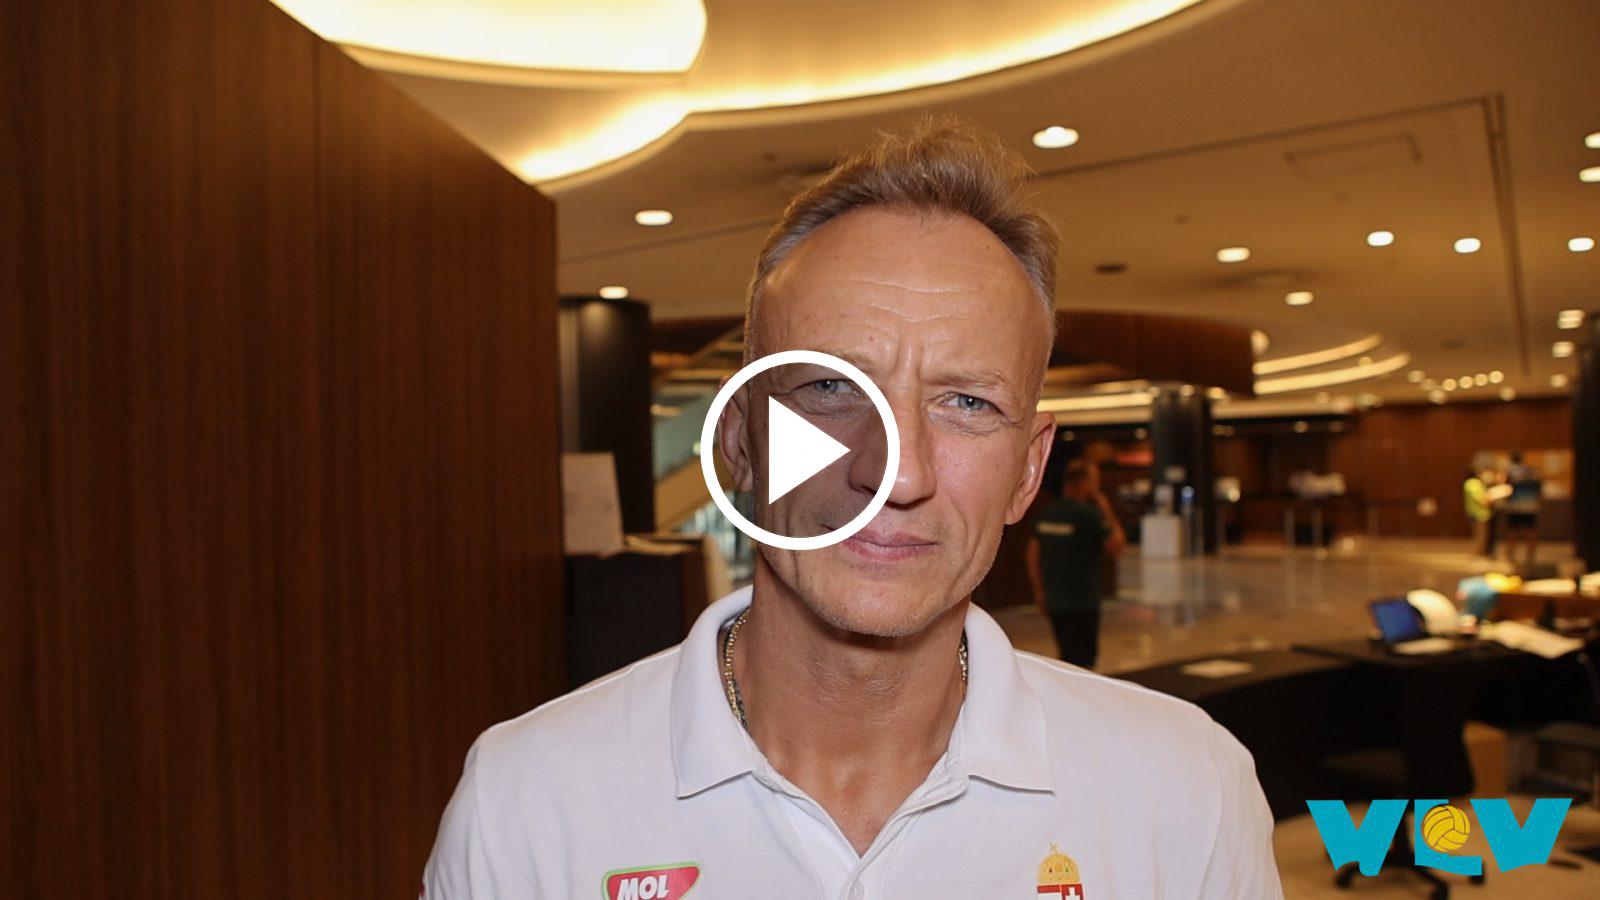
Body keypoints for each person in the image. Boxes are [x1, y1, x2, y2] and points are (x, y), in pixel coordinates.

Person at [424, 119, 1282, 898]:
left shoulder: (1188, 791)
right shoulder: (524, 806)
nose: (895, 471)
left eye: (966, 402)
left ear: (1029, 470)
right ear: (740, 440)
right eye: (830, 389)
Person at [1027, 460, 1117, 668]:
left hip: (1054, 598)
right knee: (1083, 662)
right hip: (1082, 601)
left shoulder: (1048, 512)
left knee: (1066, 654)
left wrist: (1039, 589)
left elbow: (1032, 553)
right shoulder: (1089, 514)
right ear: (1084, 482)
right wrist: (1105, 507)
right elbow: (1116, 545)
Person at [1503, 451, 1543, 571]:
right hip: (1531, 507)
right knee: (1530, 532)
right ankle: (1530, 556)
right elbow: (1539, 489)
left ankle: (1510, 555)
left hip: (1514, 507)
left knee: (1512, 532)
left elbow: (1506, 489)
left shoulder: (1510, 472)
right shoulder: (1532, 472)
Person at [1462, 469, 1492, 557]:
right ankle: (1479, 552)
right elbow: (1482, 500)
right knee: (1481, 535)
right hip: (1479, 514)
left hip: (1476, 513)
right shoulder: (1473, 484)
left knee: (1479, 534)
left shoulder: (1476, 483)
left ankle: (1479, 551)